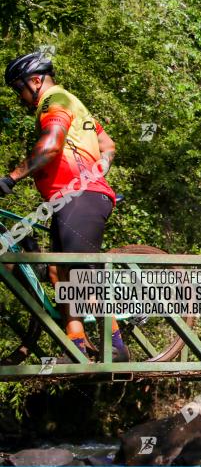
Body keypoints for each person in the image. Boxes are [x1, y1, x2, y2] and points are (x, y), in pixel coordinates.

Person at [2, 52, 129, 361]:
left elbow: (50, 145)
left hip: (81, 197)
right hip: (68, 198)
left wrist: (10, 179)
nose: (20, 96)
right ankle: (77, 347)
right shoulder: (74, 104)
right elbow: (108, 145)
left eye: (19, 88)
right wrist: (100, 168)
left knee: (82, 275)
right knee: (62, 274)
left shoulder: (54, 100)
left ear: (35, 81)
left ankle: (116, 346)